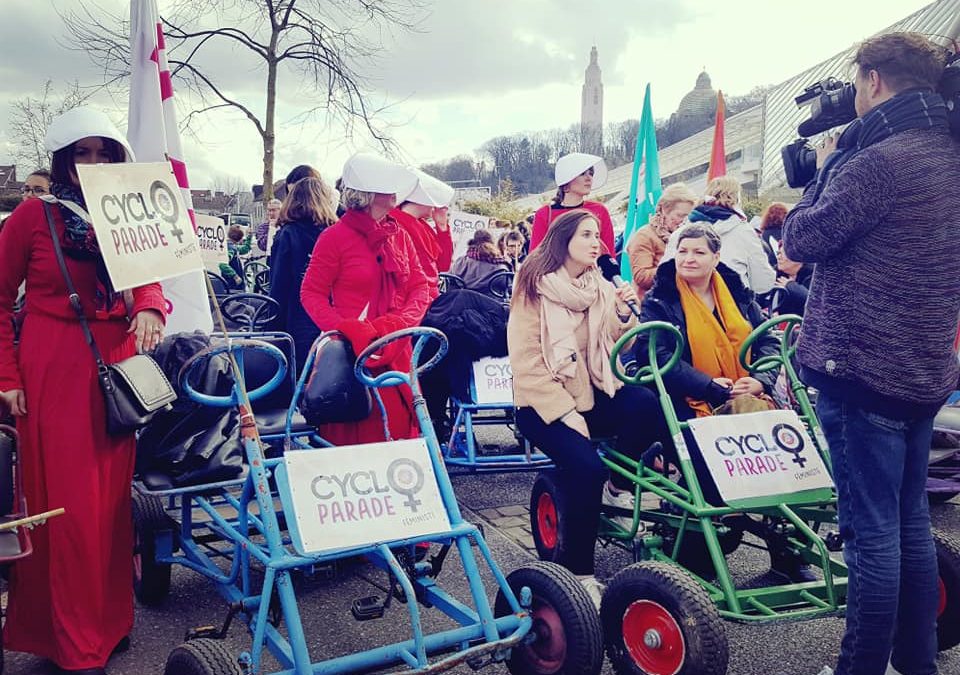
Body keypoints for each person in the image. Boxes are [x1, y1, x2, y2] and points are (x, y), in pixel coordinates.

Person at [782, 32, 960, 675]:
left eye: (857, 83)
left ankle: (859, 667)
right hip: (924, 372)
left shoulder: (879, 160)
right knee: (910, 527)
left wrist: (829, 164)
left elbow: (800, 238)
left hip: (861, 373)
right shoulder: (948, 152)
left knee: (872, 538)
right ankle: (917, 667)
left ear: (875, 81)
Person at [0, 107, 167, 674]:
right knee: (67, 510)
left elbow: (152, 282)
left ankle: (108, 622)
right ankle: (73, 641)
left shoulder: (131, 208)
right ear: (63, 159)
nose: (92, 163)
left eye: (103, 152)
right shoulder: (30, 215)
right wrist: (7, 377)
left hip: (115, 372)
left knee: (110, 507)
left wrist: (148, 306)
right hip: (53, 369)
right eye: (81, 152)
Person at [635, 224, 814, 581]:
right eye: (683, 251)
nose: (689, 258)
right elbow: (656, 356)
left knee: (790, 458)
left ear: (716, 257)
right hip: (687, 400)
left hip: (745, 394)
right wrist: (710, 387)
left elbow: (764, 341)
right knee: (711, 463)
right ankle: (699, 562)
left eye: (699, 252)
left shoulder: (736, 292)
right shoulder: (661, 299)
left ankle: (789, 558)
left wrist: (759, 379)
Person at [508, 208, 663, 598]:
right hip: (542, 404)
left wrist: (625, 312)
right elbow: (526, 361)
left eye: (598, 235)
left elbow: (615, 345)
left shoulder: (599, 285)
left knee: (646, 403)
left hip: (591, 391)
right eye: (586, 235)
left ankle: (619, 485)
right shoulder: (533, 286)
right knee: (584, 470)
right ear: (563, 242)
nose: (597, 242)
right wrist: (566, 413)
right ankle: (579, 574)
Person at [300, 153, 430, 445]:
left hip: (396, 346)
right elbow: (311, 293)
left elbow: (420, 286)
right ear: (370, 194)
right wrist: (343, 328)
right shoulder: (334, 237)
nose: (396, 193)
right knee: (356, 432)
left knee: (401, 428)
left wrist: (399, 323)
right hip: (350, 352)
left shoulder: (399, 236)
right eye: (388, 187)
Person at [662, 176, 776, 294]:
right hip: (733, 305)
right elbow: (763, 283)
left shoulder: (680, 232)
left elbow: (664, 276)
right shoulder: (744, 232)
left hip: (685, 305)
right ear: (736, 200)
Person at [269, 176, 337, 373]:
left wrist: (274, 321)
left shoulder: (288, 234)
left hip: (296, 313)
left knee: (300, 371)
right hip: (331, 312)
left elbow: (278, 283)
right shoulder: (334, 233)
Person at [529, 153, 615, 254]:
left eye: (591, 173)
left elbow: (609, 253)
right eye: (582, 173)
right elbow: (534, 256)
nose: (589, 178)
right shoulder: (545, 214)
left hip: (592, 269)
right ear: (566, 180)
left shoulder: (599, 211)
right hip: (554, 269)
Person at [390, 170, 455, 300]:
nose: (435, 205)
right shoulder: (395, 225)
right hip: (417, 300)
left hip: (428, 296)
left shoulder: (421, 225)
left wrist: (442, 228)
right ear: (421, 199)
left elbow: (442, 265)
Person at [624, 182, 697, 298]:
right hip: (653, 306)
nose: (684, 221)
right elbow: (641, 277)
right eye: (680, 215)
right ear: (663, 210)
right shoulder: (644, 236)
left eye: (688, 216)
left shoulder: (687, 237)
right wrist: (677, 267)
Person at [449, 229, 511, 294]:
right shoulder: (499, 266)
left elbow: (450, 280)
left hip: (461, 301)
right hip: (489, 302)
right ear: (492, 244)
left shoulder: (460, 261)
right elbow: (509, 287)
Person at [772, 247, 812, 316]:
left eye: (782, 255)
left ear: (798, 259)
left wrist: (791, 286)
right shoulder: (776, 273)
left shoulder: (812, 276)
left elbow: (813, 302)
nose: (778, 257)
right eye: (778, 253)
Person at [218, 225, 252, 289]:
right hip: (233, 285)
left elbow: (244, 249)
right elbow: (223, 264)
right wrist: (235, 276)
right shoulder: (231, 249)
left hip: (231, 284)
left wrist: (249, 237)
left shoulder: (231, 247)